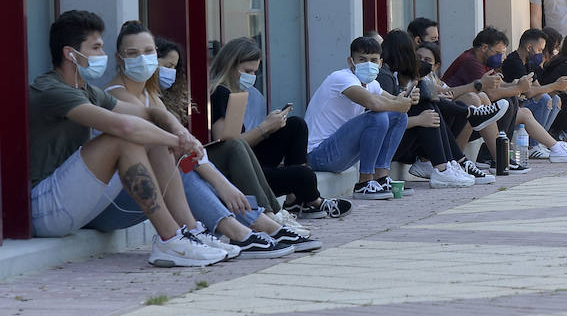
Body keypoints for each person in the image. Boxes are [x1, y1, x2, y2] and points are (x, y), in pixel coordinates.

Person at [27, 11, 227, 266]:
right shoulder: (53, 91)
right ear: (70, 54)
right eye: (96, 48)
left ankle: (191, 231)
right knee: (123, 137)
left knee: (149, 135)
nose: (103, 55)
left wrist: (181, 132)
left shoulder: (86, 90)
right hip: (43, 208)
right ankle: (169, 240)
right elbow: (124, 126)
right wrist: (177, 142)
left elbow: (149, 112)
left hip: (74, 201)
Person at [103, 22, 316, 257]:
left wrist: (222, 183)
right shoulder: (116, 95)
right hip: (117, 203)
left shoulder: (149, 95)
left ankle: (254, 225)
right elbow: (175, 147)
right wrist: (221, 183)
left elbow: (184, 147)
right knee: (182, 163)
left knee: (190, 164)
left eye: (147, 52)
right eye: (133, 53)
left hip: (148, 195)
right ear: (119, 58)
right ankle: (240, 230)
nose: (142, 59)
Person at [207, 37, 351, 220]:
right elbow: (227, 146)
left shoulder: (236, 93)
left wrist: (271, 126)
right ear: (230, 66)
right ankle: (314, 201)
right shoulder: (220, 93)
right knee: (304, 175)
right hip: (237, 171)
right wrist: (265, 128)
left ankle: (297, 199)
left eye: (254, 72)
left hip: (248, 159)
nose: (251, 76)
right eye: (247, 71)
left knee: (296, 125)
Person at [444, 27, 567, 164]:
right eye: (498, 53)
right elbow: (494, 93)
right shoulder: (473, 62)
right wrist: (519, 87)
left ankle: (554, 147)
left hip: (473, 115)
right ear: (484, 48)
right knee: (508, 102)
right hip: (456, 115)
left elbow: (524, 88)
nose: (501, 57)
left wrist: (561, 88)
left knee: (527, 109)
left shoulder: (487, 62)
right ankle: (496, 156)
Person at [305, 35, 411, 199]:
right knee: (377, 117)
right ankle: (364, 183)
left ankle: (381, 178)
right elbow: (374, 104)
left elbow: (395, 103)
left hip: (339, 153)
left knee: (399, 117)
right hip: (318, 155)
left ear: (380, 63)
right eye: (362, 59)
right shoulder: (341, 78)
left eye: (373, 60)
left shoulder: (372, 84)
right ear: (351, 62)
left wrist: (408, 98)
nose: (368, 65)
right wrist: (400, 104)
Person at [376, 29, 480, 187]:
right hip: (386, 147)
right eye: (412, 54)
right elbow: (383, 121)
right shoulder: (384, 77)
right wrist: (418, 120)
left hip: (397, 142)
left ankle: (448, 164)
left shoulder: (392, 75)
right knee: (427, 107)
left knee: (431, 104)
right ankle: (446, 165)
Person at [503, 27, 567, 158]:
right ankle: (533, 145)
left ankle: (541, 142)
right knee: (544, 100)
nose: (541, 54)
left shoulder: (529, 63)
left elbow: (539, 88)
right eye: (539, 50)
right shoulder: (514, 62)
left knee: (555, 100)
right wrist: (555, 85)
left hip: (524, 106)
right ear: (529, 47)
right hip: (514, 108)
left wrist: (561, 88)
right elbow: (530, 92)